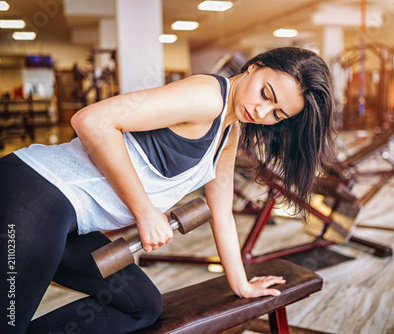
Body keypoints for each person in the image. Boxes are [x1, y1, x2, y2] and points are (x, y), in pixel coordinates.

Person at [0, 47, 336, 333]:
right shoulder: (205, 96)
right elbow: (92, 121)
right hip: (33, 194)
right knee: (9, 318)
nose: (263, 112)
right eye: (266, 93)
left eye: (277, 113)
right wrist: (145, 212)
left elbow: (222, 215)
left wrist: (242, 285)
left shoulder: (228, 134)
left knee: (141, 305)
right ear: (254, 67)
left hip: (68, 221)